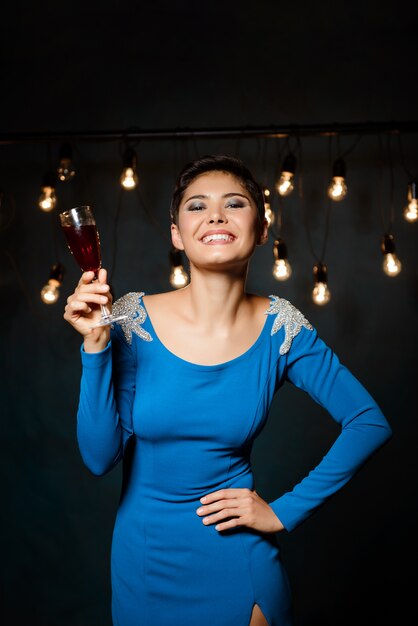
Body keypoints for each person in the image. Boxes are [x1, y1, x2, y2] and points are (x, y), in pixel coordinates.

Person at [64, 154, 392, 626]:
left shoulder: (283, 330)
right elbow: (99, 458)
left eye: (234, 203)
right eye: (196, 207)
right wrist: (95, 347)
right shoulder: (131, 322)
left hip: (238, 556)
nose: (215, 215)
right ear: (176, 234)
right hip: (146, 561)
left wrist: (283, 512)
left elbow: (369, 423)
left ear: (261, 227)